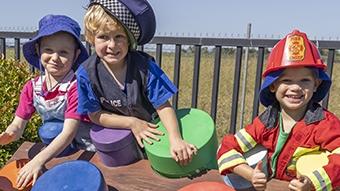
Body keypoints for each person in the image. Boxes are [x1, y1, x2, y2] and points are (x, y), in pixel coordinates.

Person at [77, 0, 197, 166]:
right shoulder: (86, 73)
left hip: (155, 137)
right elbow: (95, 114)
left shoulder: (145, 67)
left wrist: (175, 139)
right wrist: (132, 123)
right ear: (91, 38)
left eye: (119, 36)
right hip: (117, 145)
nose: (112, 45)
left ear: (129, 39)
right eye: (103, 37)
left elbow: (163, 106)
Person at [217, 30, 340, 191]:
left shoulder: (324, 123)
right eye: (286, 80)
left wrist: (311, 182)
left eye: (305, 80)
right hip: (270, 183)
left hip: (306, 187)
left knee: (309, 163)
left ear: (316, 84)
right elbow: (228, 146)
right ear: (273, 86)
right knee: (242, 152)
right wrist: (250, 174)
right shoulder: (267, 121)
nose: (295, 88)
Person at [0, 14, 94, 188]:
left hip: (83, 144)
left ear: (76, 55)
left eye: (63, 52)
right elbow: (18, 125)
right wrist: (10, 134)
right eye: (48, 50)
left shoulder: (76, 87)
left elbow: (68, 133)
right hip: (54, 143)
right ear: (38, 50)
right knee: (49, 130)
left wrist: (37, 161)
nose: (55, 58)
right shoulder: (33, 87)